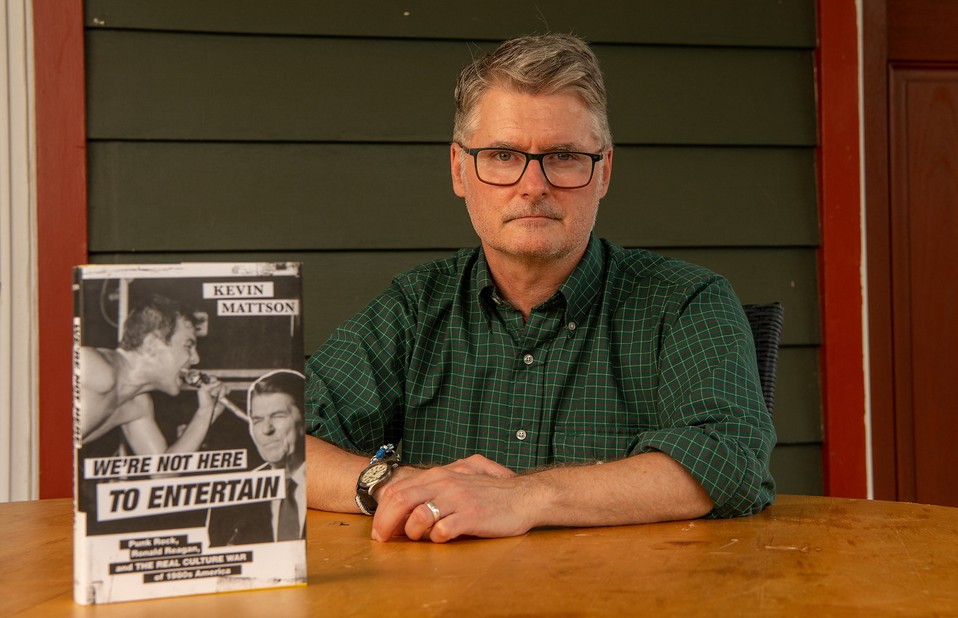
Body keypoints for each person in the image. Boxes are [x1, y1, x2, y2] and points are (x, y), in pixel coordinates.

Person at [303, 33, 776, 543]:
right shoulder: (415, 308)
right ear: (460, 169)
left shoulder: (686, 302)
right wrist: (396, 484)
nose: (533, 185)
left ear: (604, 172)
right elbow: (270, 437)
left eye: (565, 156)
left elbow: (729, 459)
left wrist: (525, 497)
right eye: (504, 155)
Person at [79, 293, 226, 454]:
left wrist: (206, 412)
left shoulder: (137, 405)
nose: (196, 359)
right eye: (188, 346)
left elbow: (162, 470)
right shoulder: (93, 367)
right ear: (152, 345)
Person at [208, 370, 306, 545]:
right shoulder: (232, 498)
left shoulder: (325, 481)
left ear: (306, 419)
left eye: (278, 416)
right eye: (257, 420)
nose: (266, 430)